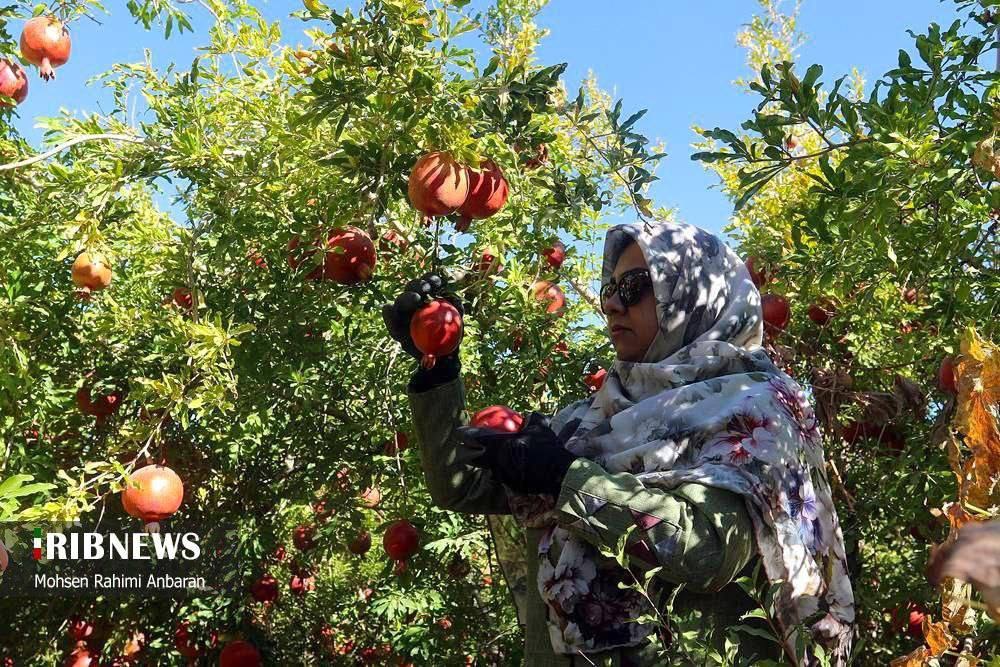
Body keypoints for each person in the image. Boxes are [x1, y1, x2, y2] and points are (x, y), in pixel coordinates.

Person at [383, 220, 855, 666]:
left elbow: (710, 550)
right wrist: (437, 363)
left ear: (691, 294)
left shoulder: (755, 409)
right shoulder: (597, 415)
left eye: (634, 288)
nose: (612, 304)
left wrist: (565, 478)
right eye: (610, 290)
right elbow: (460, 485)